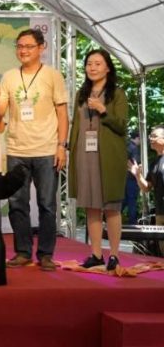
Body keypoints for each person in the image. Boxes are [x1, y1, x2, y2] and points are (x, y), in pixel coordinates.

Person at [0, 28, 68, 271]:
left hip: (47, 149)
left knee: (47, 204)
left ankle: (46, 254)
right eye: (19, 46)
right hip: (17, 149)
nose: (23, 50)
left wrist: (62, 146)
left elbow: (62, 113)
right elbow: (0, 114)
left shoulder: (52, 75)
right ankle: (23, 252)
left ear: (41, 47)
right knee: (17, 204)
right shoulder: (9, 77)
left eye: (28, 46)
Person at [68, 49, 128, 271]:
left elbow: (122, 126)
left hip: (108, 156)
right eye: (89, 63)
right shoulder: (81, 94)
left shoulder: (117, 94)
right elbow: (76, 125)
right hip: (85, 154)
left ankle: (114, 255)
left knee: (111, 207)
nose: (92, 67)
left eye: (97, 63)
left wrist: (103, 110)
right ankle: (96, 254)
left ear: (108, 68)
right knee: (91, 206)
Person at [129, 125, 164, 257]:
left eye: (154, 136)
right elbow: (146, 187)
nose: (151, 139)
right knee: (162, 249)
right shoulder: (154, 163)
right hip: (160, 212)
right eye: (150, 136)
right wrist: (138, 175)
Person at [123, 131, 141, 225]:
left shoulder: (127, 146)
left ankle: (108, 216)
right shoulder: (134, 148)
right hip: (132, 178)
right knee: (132, 200)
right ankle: (133, 223)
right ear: (137, 138)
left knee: (125, 200)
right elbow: (135, 163)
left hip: (124, 178)